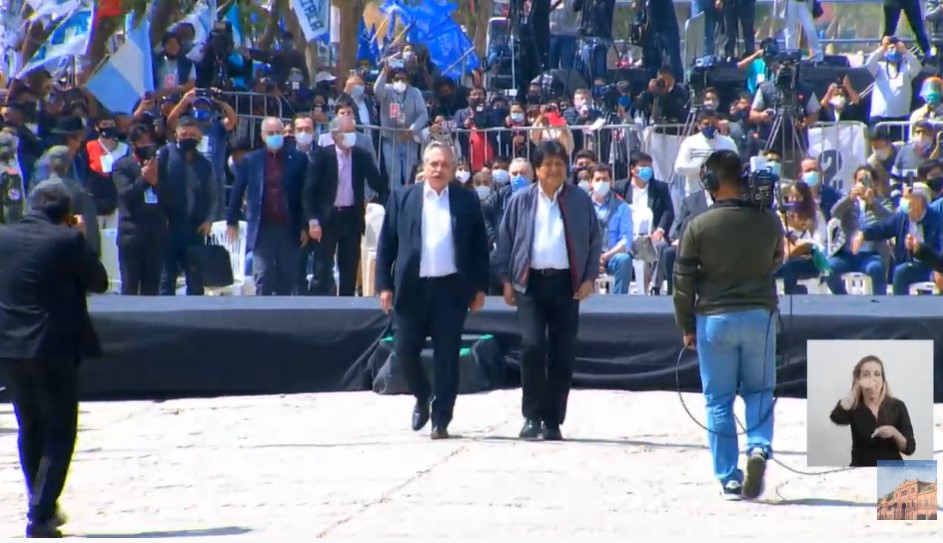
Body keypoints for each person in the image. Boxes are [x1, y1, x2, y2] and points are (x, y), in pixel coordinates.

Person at [672, 150, 784, 500]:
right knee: (760, 391)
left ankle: (729, 478)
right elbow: (776, 260)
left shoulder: (697, 225)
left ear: (709, 181)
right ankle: (759, 446)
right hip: (759, 316)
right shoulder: (769, 220)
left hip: (714, 320)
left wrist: (686, 325)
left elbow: (682, 281)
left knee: (718, 400)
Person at [0, 180, 109, 537]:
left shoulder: (5, 237)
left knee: (30, 427)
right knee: (60, 430)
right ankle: (40, 512)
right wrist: (80, 236)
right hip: (53, 347)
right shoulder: (67, 240)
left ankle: (41, 504)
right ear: (66, 213)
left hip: (10, 347)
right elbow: (99, 280)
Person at [375, 142, 490, 439]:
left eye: (444, 165)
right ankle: (422, 393)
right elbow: (387, 244)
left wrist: (480, 287)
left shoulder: (466, 200)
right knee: (404, 350)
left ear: (453, 169)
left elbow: (479, 247)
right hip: (411, 289)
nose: (439, 170)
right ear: (424, 166)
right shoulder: (402, 198)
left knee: (447, 356)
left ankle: (441, 418)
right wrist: (383, 285)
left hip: (450, 290)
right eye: (433, 164)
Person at [496, 140, 601, 441]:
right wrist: (506, 279)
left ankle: (552, 420)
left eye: (559, 164)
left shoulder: (579, 200)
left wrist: (589, 277)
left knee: (562, 351)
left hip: (567, 284)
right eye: (548, 164)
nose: (554, 169)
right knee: (531, 346)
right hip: (529, 283)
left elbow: (594, 239)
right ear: (537, 169)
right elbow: (505, 240)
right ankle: (531, 416)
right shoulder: (521, 200)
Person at [304, 116, 385, 296]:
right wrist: (313, 220)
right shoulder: (322, 156)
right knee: (322, 269)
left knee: (349, 269)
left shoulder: (361, 156)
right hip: (327, 219)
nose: (351, 136)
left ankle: (347, 307)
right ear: (334, 135)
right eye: (346, 132)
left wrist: (380, 203)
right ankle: (318, 306)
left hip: (351, 218)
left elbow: (378, 183)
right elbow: (309, 191)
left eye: (353, 131)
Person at [829, 355, 916, 467]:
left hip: (893, 470)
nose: (872, 379)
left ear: (883, 380)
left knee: (927, 477)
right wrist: (854, 392)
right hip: (862, 471)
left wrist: (894, 433)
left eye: (877, 374)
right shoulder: (853, 406)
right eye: (866, 375)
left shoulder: (897, 406)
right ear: (859, 380)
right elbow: (837, 418)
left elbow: (910, 449)